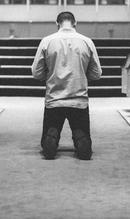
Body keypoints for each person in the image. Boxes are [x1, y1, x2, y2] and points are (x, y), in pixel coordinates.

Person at [32, 11, 102, 160]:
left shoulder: (47, 41)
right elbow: (96, 73)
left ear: (57, 24)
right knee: (80, 127)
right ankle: (80, 136)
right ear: (75, 23)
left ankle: (52, 135)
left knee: (52, 126)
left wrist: (49, 75)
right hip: (79, 100)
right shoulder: (87, 41)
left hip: (54, 100)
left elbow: (36, 73)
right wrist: (82, 74)